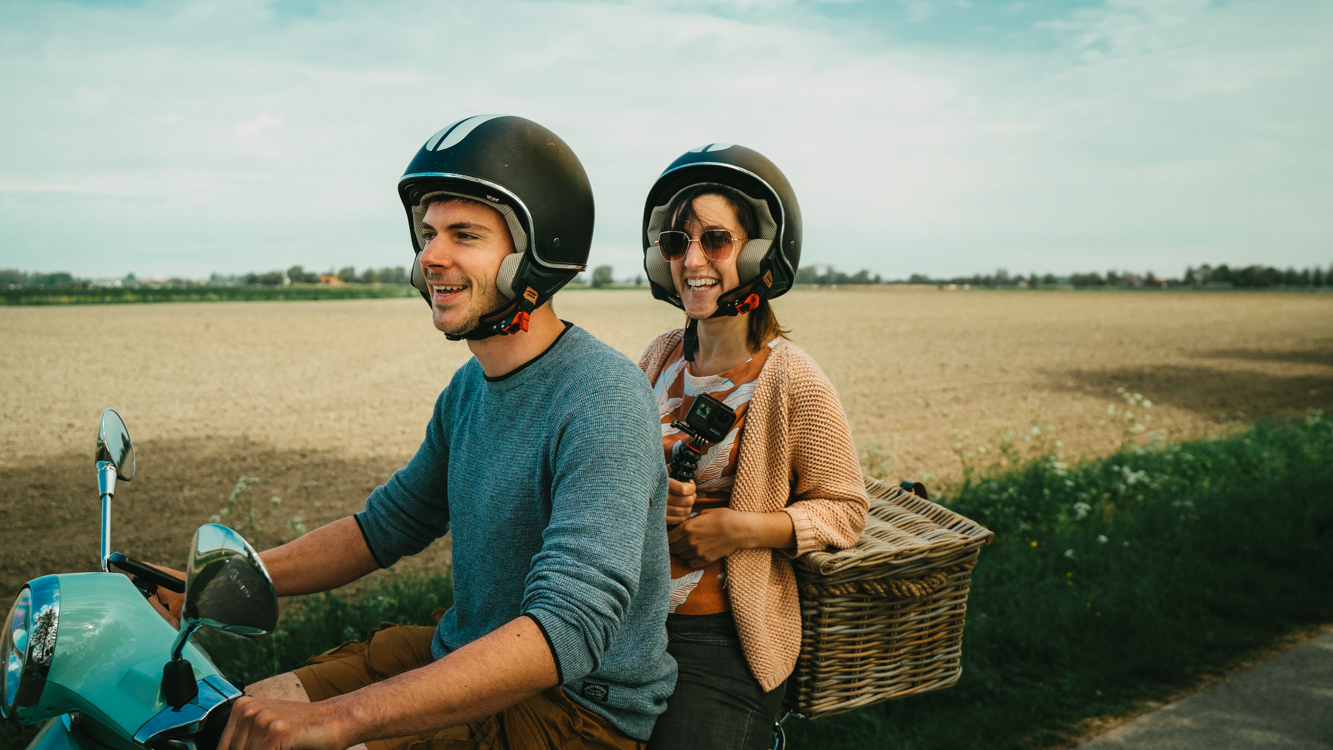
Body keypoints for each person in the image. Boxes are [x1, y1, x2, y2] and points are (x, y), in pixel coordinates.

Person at [160, 115, 675, 750]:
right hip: (460, 649)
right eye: (427, 233)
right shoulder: (468, 391)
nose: (431, 255)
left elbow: (570, 627)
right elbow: (383, 528)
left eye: (465, 235)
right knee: (233, 722)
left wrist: (339, 720)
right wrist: (207, 585)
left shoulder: (603, 399)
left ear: (536, 253)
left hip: (572, 710)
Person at [636, 144, 869, 750]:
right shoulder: (657, 357)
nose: (692, 260)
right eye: (676, 243)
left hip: (723, 640)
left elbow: (844, 508)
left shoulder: (793, 378)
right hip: (632, 621)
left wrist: (740, 529)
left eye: (716, 240)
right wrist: (648, 498)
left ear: (762, 253)